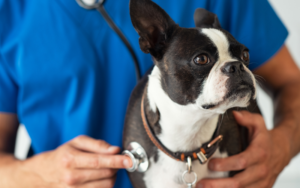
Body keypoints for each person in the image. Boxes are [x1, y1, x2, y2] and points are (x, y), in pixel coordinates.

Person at [0, 0, 299, 188]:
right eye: (202, 60)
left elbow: (292, 83)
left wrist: (282, 144)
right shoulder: (9, 12)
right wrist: (29, 177)